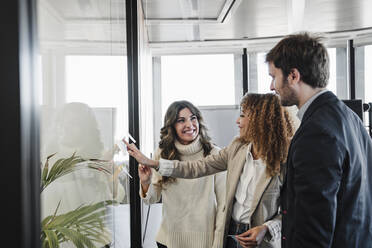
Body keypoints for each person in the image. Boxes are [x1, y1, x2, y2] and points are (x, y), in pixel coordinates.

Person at [126, 93, 295, 248]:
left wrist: (266, 228)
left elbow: (292, 211)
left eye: (243, 115)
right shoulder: (237, 149)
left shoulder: (285, 160)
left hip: (244, 239)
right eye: (180, 120)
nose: (237, 121)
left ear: (260, 120)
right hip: (210, 237)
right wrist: (150, 169)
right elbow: (195, 168)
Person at [265, 32, 372, 248]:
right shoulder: (350, 117)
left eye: (273, 77)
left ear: (293, 76)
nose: (272, 87)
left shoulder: (316, 132)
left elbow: (314, 225)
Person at [138, 100, 226, 248]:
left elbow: (224, 204)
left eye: (193, 118)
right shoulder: (163, 153)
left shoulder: (215, 154)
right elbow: (152, 199)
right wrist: (145, 183)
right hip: (168, 240)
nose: (190, 125)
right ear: (172, 126)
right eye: (181, 120)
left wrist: (218, 241)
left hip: (204, 241)